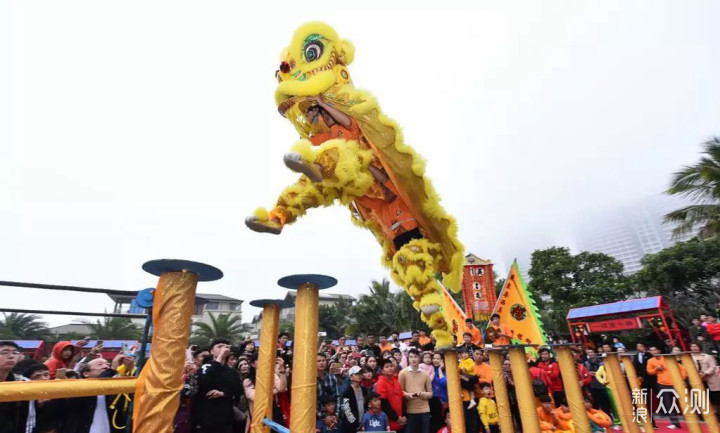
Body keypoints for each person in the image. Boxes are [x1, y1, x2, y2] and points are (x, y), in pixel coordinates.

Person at [62, 355, 128, 433]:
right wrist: (112, 369)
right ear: (86, 373)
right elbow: (97, 382)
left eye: (107, 364)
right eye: (100, 364)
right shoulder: (80, 388)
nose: (105, 367)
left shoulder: (110, 391)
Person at [193, 338, 243, 433]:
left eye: (226, 347)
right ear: (211, 351)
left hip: (225, 418)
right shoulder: (205, 368)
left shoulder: (232, 371)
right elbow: (204, 383)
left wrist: (223, 393)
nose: (224, 349)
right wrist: (219, 358)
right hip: (205, 418)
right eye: (219, 346)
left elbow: (239, 390)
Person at [647, 345, 687, 429]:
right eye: (652, 350)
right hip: (662, 384)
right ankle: (675, 423)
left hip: (675, 383)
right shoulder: (650, 361)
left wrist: (681, 378)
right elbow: (649, 372)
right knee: (668, 404)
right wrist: (656, 369)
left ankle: (690, 418)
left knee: (683, 401)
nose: (654, 352)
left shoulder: (667, 358)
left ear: (658, 351)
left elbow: (682, 369)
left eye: (655, 350)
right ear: (649, 352)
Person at [0, 341, 32, 433]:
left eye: (15, 353)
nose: (11, 356)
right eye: (5, 352)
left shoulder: (22, 383)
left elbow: (28, 418)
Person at [399, 349, 433, 433]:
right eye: (411, 357)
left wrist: (422, 394)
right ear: (408, 359)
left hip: (424, 409)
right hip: (410, 410)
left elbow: (430, 393)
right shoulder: (403, 373)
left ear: (419, 358)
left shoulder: (425, 374)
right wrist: (409, 395)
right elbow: (400, 391)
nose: (413, 359)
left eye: (415, 357)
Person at [375, 358, 406, 432]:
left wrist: (404, 416)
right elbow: (383, 403)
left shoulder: (396, 381)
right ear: (382, 371)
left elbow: (402, 399)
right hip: (389, 422)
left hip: (400, 421)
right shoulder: (381, 382)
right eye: (387, 367)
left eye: (391, 366)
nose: (390, 368)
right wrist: (396, 418)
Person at [690, 341, 720, 415]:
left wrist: (705, 373)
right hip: (697, 380)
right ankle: (708, 413)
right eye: (692, 346)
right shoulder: (689, 358)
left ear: (699, 347)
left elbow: (713, 366)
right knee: (703, 398)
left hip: (711, 379)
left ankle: (717, 413)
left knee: (715, 398)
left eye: (695, 346)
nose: (694, 348)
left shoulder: (707, 356)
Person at [584, 348, 613, 419]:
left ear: (594, 353)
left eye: (591, 352)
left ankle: (608, 418)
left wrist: (597, 374)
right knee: (595, 404)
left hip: (602, 385)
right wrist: (589, 374)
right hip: (592, 385)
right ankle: (597, 419)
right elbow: (585, 374)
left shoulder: (601, 362)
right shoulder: (586, 363)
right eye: (588, 352)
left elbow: (606, 372)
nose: (590, 354)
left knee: (605, 403)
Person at [339, 366, 367, 433]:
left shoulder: (364, 389)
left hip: (362, 423)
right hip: (350, 426)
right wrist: (354, 423)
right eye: (357, 374)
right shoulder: (347, 391)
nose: (359, 376)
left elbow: (365, 405)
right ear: (351, 377)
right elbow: (346, 409)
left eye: (360, 373)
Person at [317, 353, 341, 417]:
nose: (321, 363)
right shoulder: (311, 380)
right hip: (317, 416)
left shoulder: (332, 378)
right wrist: (322, 416)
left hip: (333, 414)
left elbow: (337, 396)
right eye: (319, 361)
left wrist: (336, 415)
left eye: (323, 360)